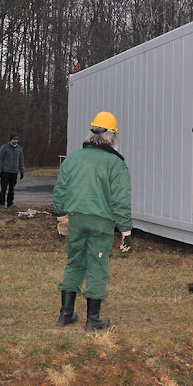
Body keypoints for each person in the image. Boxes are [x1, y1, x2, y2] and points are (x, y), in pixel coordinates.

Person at [53, 111, 133, 331]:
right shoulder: (116, 164)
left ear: (91, 134)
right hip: (101, 222)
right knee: (97, 266)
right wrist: (126, 231)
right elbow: (120, 200)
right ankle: (93, 320)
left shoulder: (73, 158)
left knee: (75, 262)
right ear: (111, 136)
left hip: (76, 220)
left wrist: (61, 214)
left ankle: (65, 314)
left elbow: (60, 190)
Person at [0, 132, 25, 208]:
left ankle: (10, 203)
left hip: (14, 171)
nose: (15, 141)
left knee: (11, 189)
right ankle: (1, 203)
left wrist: (22, 171)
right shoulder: (5, 147)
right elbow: (0, 158)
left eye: (16, 139)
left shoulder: (19, 149)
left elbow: (21, 161)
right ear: (11, 140)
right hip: (5, 171)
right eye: (14, 139)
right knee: (4, 188)